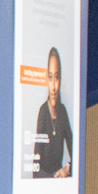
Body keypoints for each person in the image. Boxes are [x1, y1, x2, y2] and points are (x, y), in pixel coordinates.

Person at [34, 47, 72, 178]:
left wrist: (68, 169)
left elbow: (77, 154)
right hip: (46, 185)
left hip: (59, 185)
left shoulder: (63, 112)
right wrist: (54, 178)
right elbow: (35, 170)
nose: (54, 87)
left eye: (57, 77)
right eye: (50, 77)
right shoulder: (43, 112)